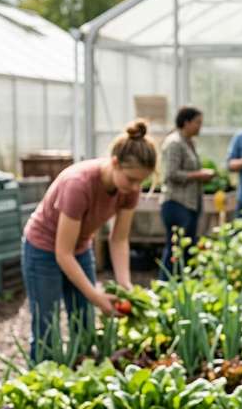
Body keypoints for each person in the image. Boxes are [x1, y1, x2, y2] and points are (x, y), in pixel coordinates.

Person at [22, 119, 156, 362]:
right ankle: (41, 374)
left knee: (84, 321)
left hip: (80, 247)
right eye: (131, 179)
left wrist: (125, 284)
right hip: (43, 248)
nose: (135, 187)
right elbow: (62, 252)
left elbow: (119, 239)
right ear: (115, 163)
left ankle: (80, 372)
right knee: (46, 324)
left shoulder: (129, 190)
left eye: (141, 181)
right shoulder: (79, 184)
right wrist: (96, 296)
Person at [159, 106, 215, 279]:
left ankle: (180, 285)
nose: (200, 126)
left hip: (190, 203)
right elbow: (171, 174)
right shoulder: (174, 143)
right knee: (175, 249)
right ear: (186, 122)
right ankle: (165, 284)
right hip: (176, 203)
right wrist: (199, 175)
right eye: (197, 122)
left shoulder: (188, 142)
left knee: (185, 249)